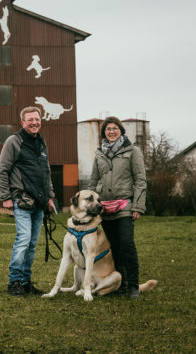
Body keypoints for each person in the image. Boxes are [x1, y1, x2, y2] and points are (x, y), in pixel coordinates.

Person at [0, 106, 55, 296]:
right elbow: (2, 170)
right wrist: (5, 197)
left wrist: (50, 197)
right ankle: (14, 282)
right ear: (22, 123)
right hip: (22, 201)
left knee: (32, 244)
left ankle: (25, 282)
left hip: (39, 203)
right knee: (23, 240)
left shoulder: (42, 143)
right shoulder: (14, 141)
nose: (34, 122)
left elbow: (46, 172)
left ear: (41, 121)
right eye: (30, 120)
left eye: (37, 119)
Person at [88, 116, 147, 300]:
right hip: (104, 208)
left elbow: (140, 180)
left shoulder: (132, 151)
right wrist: (89, 206)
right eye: (108, 129)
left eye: (114, 128)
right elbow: (93, 181)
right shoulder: (99, 154)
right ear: (104, 133)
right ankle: (120, 284)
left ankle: (133, 286)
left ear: (121, 131)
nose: (111, 131)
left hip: (125, 206)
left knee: (126, 245)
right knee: (113, 247)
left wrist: (137, 206)